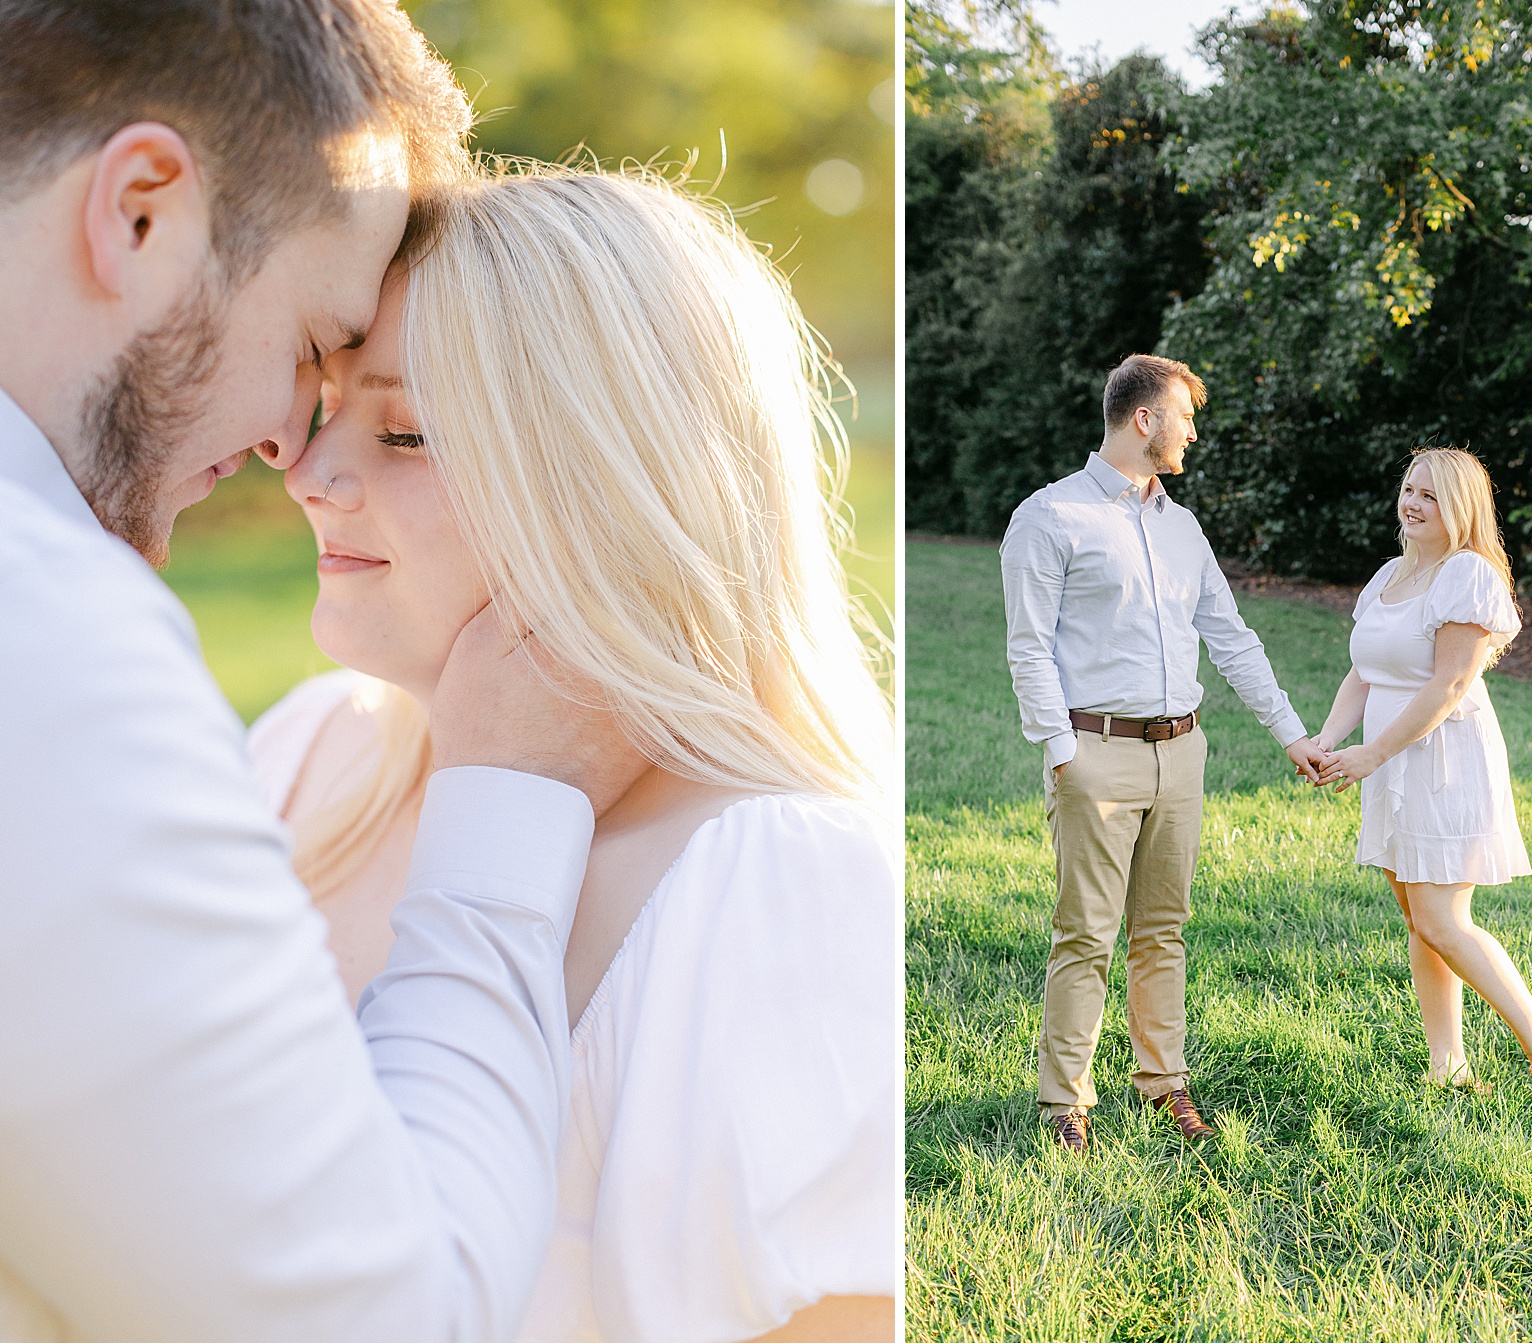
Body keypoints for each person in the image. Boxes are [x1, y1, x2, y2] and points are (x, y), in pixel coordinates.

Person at [0, 6, 634, 1341]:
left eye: (398, 419)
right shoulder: (58, 644)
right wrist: (503, 810)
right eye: (308, 343)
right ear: (139, 214)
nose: (293, 440)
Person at [247, 163, 897, 1343]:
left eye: (403, 430)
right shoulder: (306, 753)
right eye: (324, 405)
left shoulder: (767, 887)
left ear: (610, 477)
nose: (306, 472)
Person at [999, 353, 1327, 1154]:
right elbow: (1028, 646)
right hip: (1096, 752)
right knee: (1086, 932)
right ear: (1144, 420)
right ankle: (1064, 1104)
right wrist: (1059, 747)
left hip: (1182, 753)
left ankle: (1162, 1083)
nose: (1190, 431)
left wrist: (1292, 733)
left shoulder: (1182, 526)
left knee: (1165, 929)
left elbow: (1231, 637)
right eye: (1183, 416)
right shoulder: (1050, 517)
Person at [1312, 448, 1532, 1098]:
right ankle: (1448, 1063)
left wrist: (1371, 753)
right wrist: (1328, 740)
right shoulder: (1392, 574)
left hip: (1444, 764)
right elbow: (1364, 672)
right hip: (1390, 763)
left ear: (1462, 507)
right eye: (1410, 489)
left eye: (1432, 495)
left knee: (1443, 918)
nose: (1412, 503)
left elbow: (1448, 686)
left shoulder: (1467, 575)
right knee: (1419, 918)